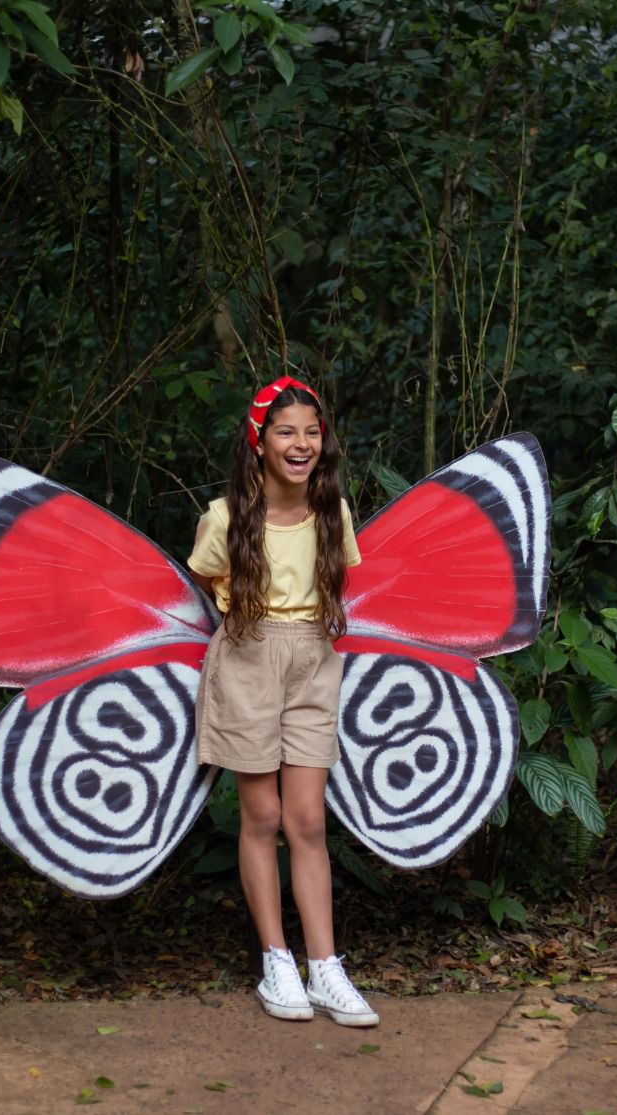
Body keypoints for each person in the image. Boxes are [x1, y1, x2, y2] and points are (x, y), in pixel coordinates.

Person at [186, 374, 379, 1027]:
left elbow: (339, 574)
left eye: (312, 432)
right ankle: (278, 959)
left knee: (307, 821)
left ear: (324, 443)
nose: (301, 443)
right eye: (286, 432)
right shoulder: (225, 516)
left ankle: (326, 966)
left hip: (314, 660)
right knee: (262, 815)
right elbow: (204, 570)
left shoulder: (334, 512)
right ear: (260, 441)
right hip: (247, 654)